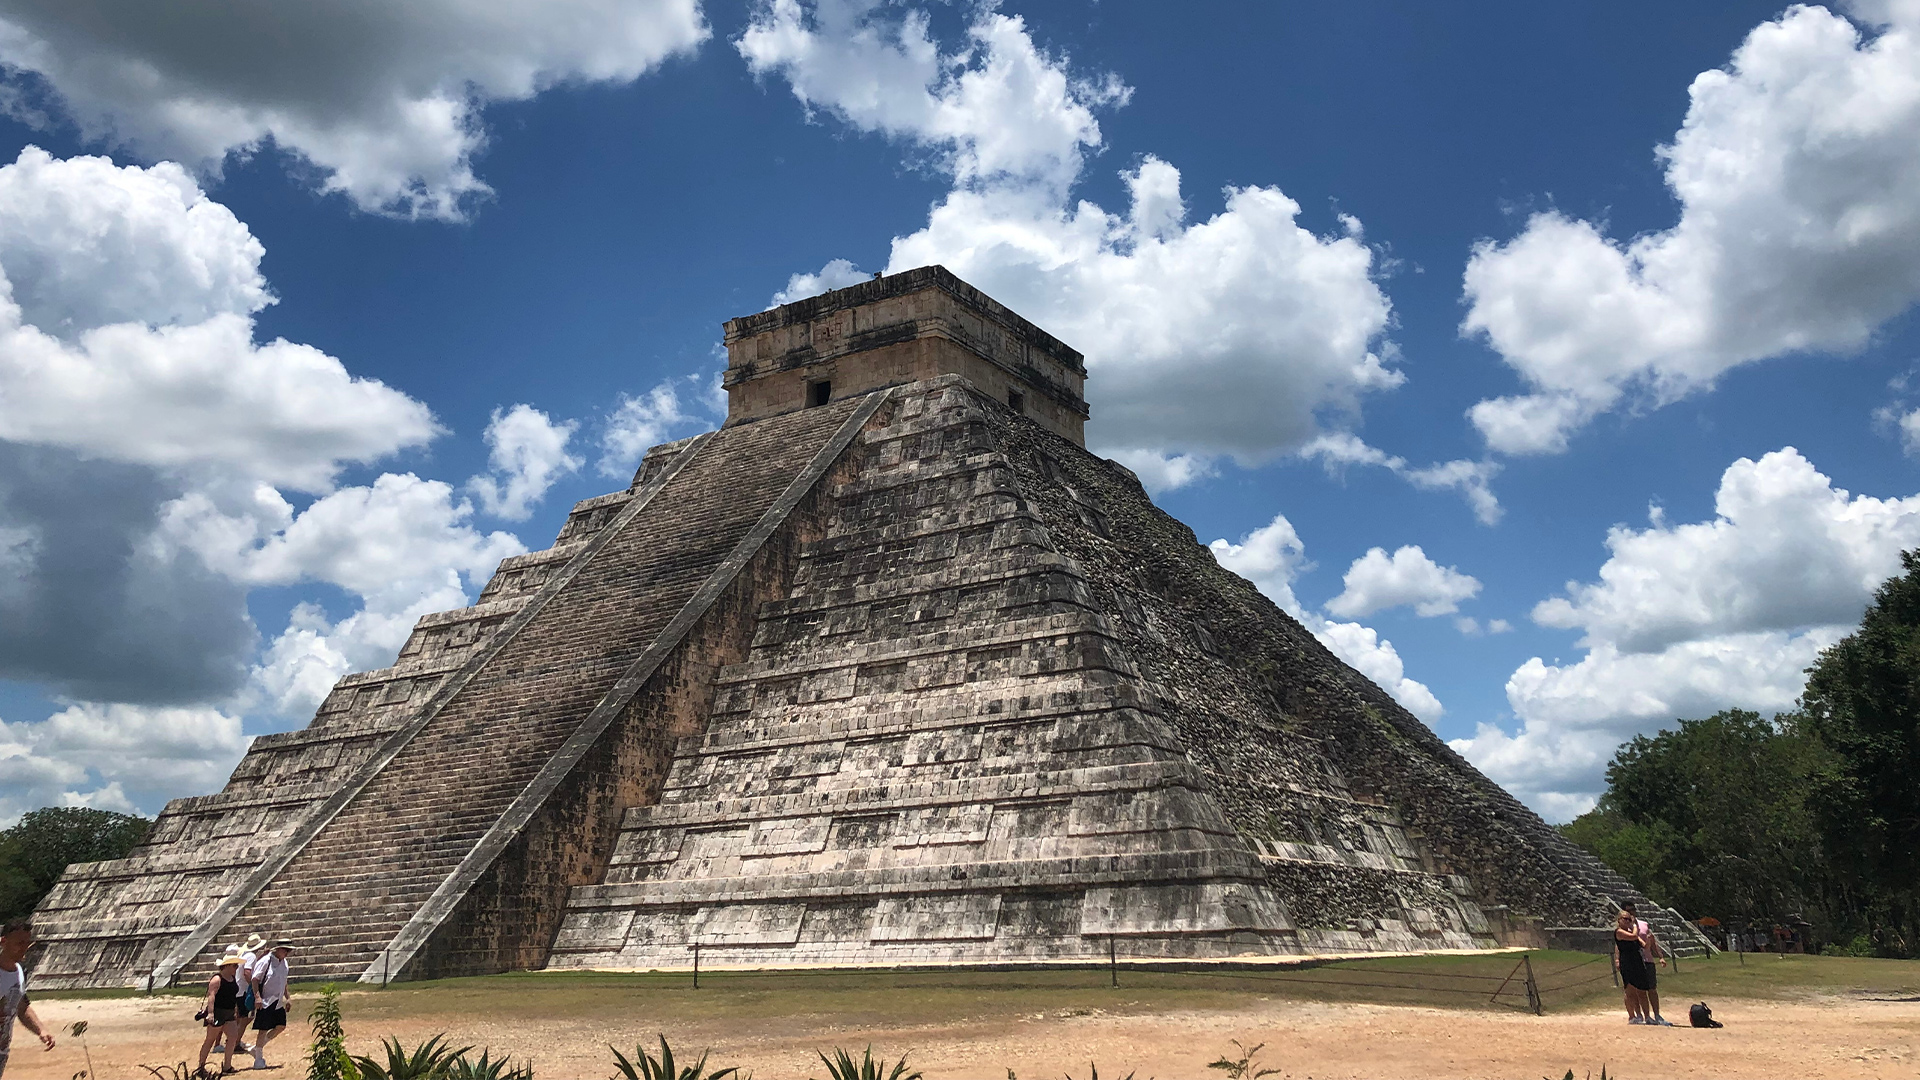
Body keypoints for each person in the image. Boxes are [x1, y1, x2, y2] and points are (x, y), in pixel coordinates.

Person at [0, 920, 56, 1078]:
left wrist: (41, 1030)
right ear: (3, 942)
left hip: (2, 1052)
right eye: (19, 943)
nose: (25, 947)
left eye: (27, 942)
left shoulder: (19, 972)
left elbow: (21, 1006)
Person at [247, 941, 294, 1071]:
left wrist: (288, 997)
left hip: (277, 1001)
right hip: (265, 1000)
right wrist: (257, 997)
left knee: (281, 1026)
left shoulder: (284, 963)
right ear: (278, 949)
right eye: (284, 950)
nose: (286, 953)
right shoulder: (266, 961)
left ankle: (257, 1049)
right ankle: (258, 1059)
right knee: (263, 1029)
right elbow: (255, 979)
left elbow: (283, 981)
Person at [1624, 901, 1671, 1025]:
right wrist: (1618, 960)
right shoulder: (1623, 927)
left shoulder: (1644, 924)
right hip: (1633, 961)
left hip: (1647, 960)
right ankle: (1640, 1015)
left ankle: (1656, 1014)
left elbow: (1652, 941)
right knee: (1637, 991)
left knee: (1652, 989)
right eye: (1629, 910)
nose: (1632, 912)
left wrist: (1660, 957)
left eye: (1633, 910)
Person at [198, 953, 246, 1076]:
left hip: (229, 1012)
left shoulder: (232, 978)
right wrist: (210, 1013)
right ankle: (201, 1067)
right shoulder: (217, 979)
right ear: (227, 966)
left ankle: (227, 1066)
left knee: (233, 1037)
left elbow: (232, 996)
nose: (236, 968)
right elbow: (211, 997)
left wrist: (235, 1011)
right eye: (235, 965)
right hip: (218, 1013)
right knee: (210, 1040)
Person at [1614, 907, 1654, 1024]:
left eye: (1629, 919)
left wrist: (1649, 940)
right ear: (1619, 920)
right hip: (1627, 962)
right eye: (1625, 919)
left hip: (1637, 961)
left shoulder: (1633, 933)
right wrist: (1635, 926)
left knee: (1642, 990)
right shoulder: (1619, 932)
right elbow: (1633, 937)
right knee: (1630, 990)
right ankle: (1632, 1016)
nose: (1627, 921)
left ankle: (1647, 1016)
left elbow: (1644, 946)